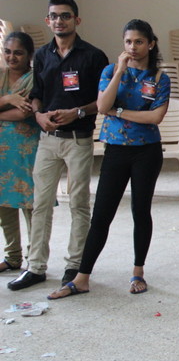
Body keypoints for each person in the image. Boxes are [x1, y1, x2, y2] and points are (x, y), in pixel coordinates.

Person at [47, 19, 170, 299]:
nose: (133, 47)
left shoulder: (160, 78)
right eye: (128, 42)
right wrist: (120, 72)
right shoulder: (110, 71)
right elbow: (103, 106)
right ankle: (82, 278)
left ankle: (138, 272)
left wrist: (119, 112)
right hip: (116, 149)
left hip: (147, 151)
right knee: (102, 214)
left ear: (151, 44)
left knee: (141, 211)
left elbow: (155, 117)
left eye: (139, 42)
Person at [8, 0, 108, 291]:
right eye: (54, 16)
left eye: (65, 16)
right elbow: (36, 94)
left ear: (77, 20)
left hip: (78, 140)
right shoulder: (41, 55)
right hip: (48, 140)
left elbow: (103, 101)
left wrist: (77, 112)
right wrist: (38, 115)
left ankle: (74, 266)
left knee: (79, 203)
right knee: (40, 204)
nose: (59, 21)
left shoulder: (93, 56)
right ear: (47, 21)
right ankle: (36, 267)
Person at [0, 32, 38, 274]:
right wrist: (8, 98)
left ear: (29, 55)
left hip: (26, 148)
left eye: (18, 53)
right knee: (3, 203)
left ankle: (34, 260)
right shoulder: (0, 74)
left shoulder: (34, 79)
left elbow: (24, 113)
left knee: (30, 204)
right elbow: (13, 108)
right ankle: (12, 257)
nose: (12, 57)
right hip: (1, 151)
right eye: (7, 51)